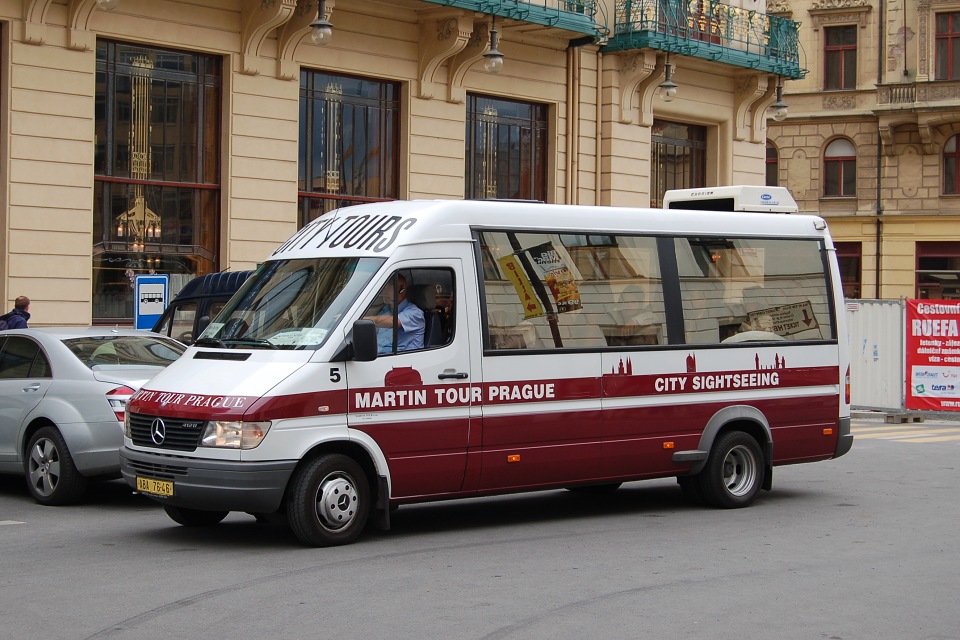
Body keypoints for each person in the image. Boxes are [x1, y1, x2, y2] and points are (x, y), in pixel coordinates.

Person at [365, 276, 424, 354]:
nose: (384, 291)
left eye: (389, 287)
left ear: (402, 290)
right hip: (379, 355)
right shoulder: (386, 309)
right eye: (384, 287)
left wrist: (362, 319)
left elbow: (394, 322)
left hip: (402, 360)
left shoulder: (415, 313)